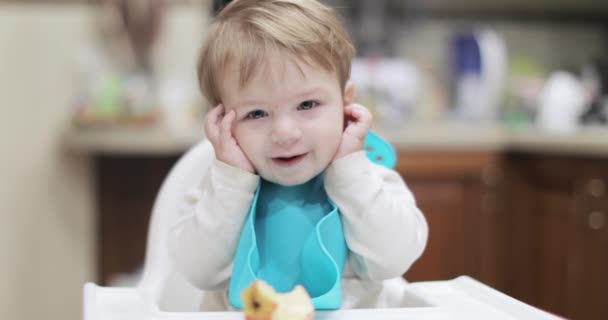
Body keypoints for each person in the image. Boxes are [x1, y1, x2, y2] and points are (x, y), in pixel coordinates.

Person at [167, 0, 428, 311]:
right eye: (257, 113)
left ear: (345, 103)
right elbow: (198, 271)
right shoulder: (218, 188)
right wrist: (231, 181)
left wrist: (349, 172)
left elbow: (395, 258)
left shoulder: (368, 179)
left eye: (307, 105)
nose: (285, 132)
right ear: (222, 120)